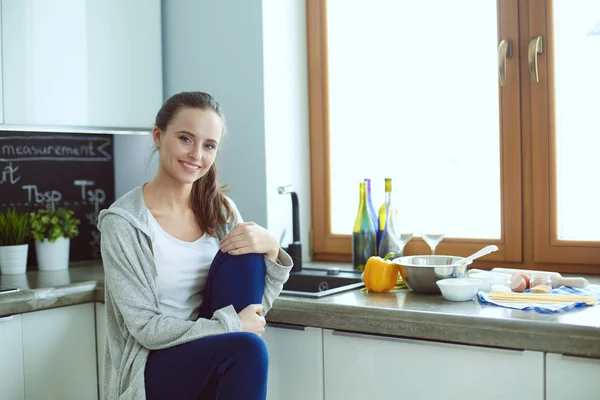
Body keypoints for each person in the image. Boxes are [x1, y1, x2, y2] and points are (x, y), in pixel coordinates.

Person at [97, 91, 293, 400]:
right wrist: (230, 324)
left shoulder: (221, 211)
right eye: (186, 139)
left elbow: (252, 316)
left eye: (208, 145)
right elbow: (144, 327)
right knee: (247, 347)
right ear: (159, 136)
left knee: (245, 255)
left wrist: (272, 250)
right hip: (152, 363)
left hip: (212, 348)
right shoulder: (123, 222)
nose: (196, 155)